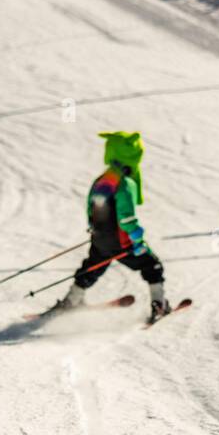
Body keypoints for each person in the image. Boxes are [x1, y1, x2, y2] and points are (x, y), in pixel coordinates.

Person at [53, 131, 170, 324]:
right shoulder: (123, 184)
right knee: (152, 265)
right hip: (122, 242)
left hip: (100, 238)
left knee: (91, 267)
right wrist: (137, 239)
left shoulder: (102, 180)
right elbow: (126, 218)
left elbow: (92, 208)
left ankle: (73, 300)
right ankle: (159, 304)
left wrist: (96, 231)